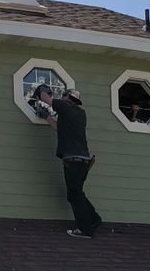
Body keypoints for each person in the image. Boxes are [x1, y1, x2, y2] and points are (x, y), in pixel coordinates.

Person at [29, 83, 102, 238]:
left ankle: (85, 230)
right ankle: (94, 219)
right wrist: (47, 117)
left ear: (68, 98)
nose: (60, 98)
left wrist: (41, 90)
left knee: (74, 194)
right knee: (76, 193)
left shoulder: (66, 107)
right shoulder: (79, 114)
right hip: (82, 161)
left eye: (63, 96)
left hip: (73, 161)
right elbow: (58, 128)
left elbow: (46, 98)